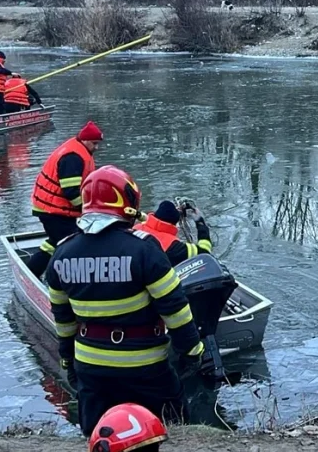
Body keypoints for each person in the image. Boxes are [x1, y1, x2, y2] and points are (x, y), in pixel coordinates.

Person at [46, 165, 204, 436]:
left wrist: (66, 360)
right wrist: (192, 352)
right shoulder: (144, 250)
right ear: (127, 203)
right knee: (172, 428)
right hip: (145, 367)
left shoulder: (61, 254)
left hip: (90, 367)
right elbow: (175, 309)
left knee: (97, 434)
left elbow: (63, 321)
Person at [27, 121, 103, 278]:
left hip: (50, 207)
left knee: (56, 242)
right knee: (74, 245)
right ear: (85, 140)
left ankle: (32, 272)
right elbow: (71, 192)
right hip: (54, 210)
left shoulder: (76, 149)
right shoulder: (73, 157)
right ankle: (64, 279)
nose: (97, 148)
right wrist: (87, 210)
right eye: (94, 143)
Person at [133, 201, 213, 266]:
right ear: (174, 224)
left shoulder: (136, 228)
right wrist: (200, 222)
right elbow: (205, 254)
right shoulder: (174, 247)